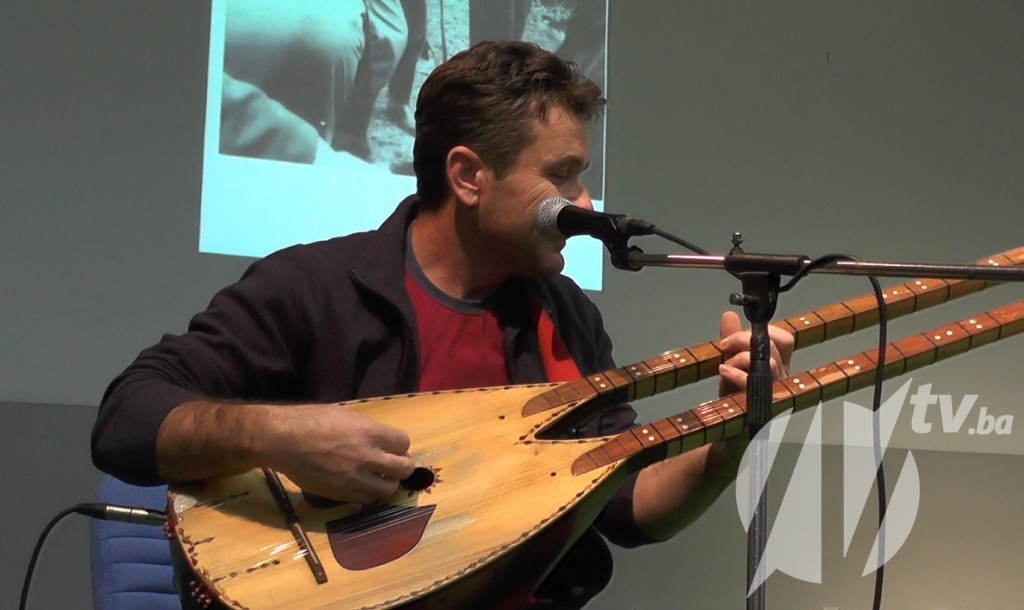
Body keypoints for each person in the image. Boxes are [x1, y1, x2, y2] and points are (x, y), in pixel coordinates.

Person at [92, 41, 793, 609]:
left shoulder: (565, 315)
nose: (583, 202)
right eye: (562, 175)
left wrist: (727, 437)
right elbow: (127, 417)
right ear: (467, 176)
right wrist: (281, 436)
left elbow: (628, 508)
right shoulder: (313, 288)